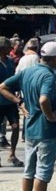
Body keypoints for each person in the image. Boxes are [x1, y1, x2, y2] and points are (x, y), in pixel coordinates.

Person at [0, 41, 56, 191]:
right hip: (46, 130)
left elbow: (2, 87)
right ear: (54, 59)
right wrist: (51, 116)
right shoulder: (48, 76)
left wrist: (19, 102)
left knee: (28, 170)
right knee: (43, 171)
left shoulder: (27, 71)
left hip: (30, 128)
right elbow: (44, 100)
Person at [0, 36, 24, 167]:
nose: (10, 49)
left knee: (15, 126)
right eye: (7, 48)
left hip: (10, 101)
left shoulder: (10, 61)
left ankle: (12, 154)